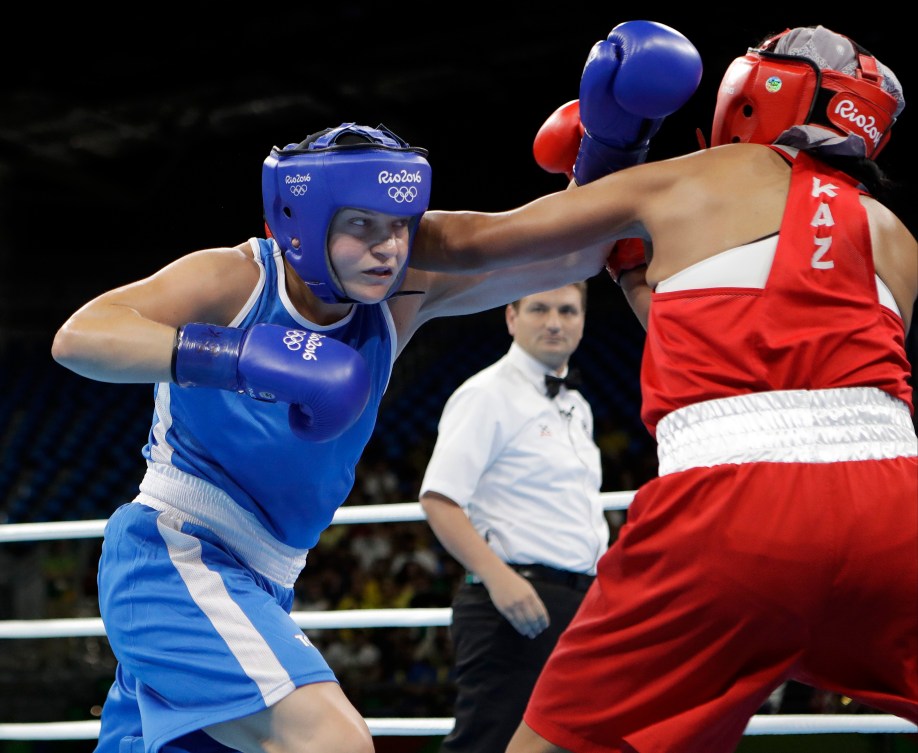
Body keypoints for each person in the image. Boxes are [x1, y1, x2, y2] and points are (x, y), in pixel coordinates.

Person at [411, 22, 918, 753]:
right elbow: (714, 333)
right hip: (893, 512)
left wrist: (343, 219)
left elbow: (469, 241)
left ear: (755, 95)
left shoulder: (702, 175)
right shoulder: (895, 236)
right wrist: (625, 260)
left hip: (734, 513)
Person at [46, 119, 621, 753]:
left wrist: (609, 151)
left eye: (400, 226)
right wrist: (242, 355)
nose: (387, 249)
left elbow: (564, 257)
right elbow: (81, 337)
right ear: (303, 220)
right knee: (332, 742)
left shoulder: (397, 302)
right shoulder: (238, 281)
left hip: (267, 578)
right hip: (178, 556)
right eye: (361, 225)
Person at [419, 282, 608, 753]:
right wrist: (500, 580)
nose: (554, 322)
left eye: (567, 311)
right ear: (511, 317)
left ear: (582, 320)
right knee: (487, 744)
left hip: (581, 602)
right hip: (512, 603)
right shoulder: (486, 394)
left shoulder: (576, 406)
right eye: (539, 309)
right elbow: (439, 498)